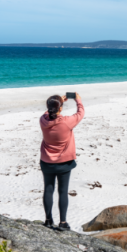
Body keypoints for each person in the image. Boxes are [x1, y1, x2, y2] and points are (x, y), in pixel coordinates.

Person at [39, 93, 84, 231]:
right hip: (64, 163)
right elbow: (81, 112)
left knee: (48, 189)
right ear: (60, 108)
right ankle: (62, 222)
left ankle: (48, 220)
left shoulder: (43, 120)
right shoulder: (66, 121)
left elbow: (48, 113)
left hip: (47, 162)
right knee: (62, 192)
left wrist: (56, 104)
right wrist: (78, 99)